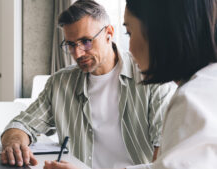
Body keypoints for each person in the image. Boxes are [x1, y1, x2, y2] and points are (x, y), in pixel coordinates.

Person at [1, 0, 175, 168]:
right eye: (70, 44)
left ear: (109, 33)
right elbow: (22, 124)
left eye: (86, 41)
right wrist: (15, 142)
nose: (77, 53)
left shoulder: (152, 79)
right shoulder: (60, 83)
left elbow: (165, 160)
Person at [44, 0, 217, 168]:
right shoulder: (203, 87)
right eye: (71, 44)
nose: (130, 48)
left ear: (160, 33)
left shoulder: (191, 101)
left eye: (129, 33)